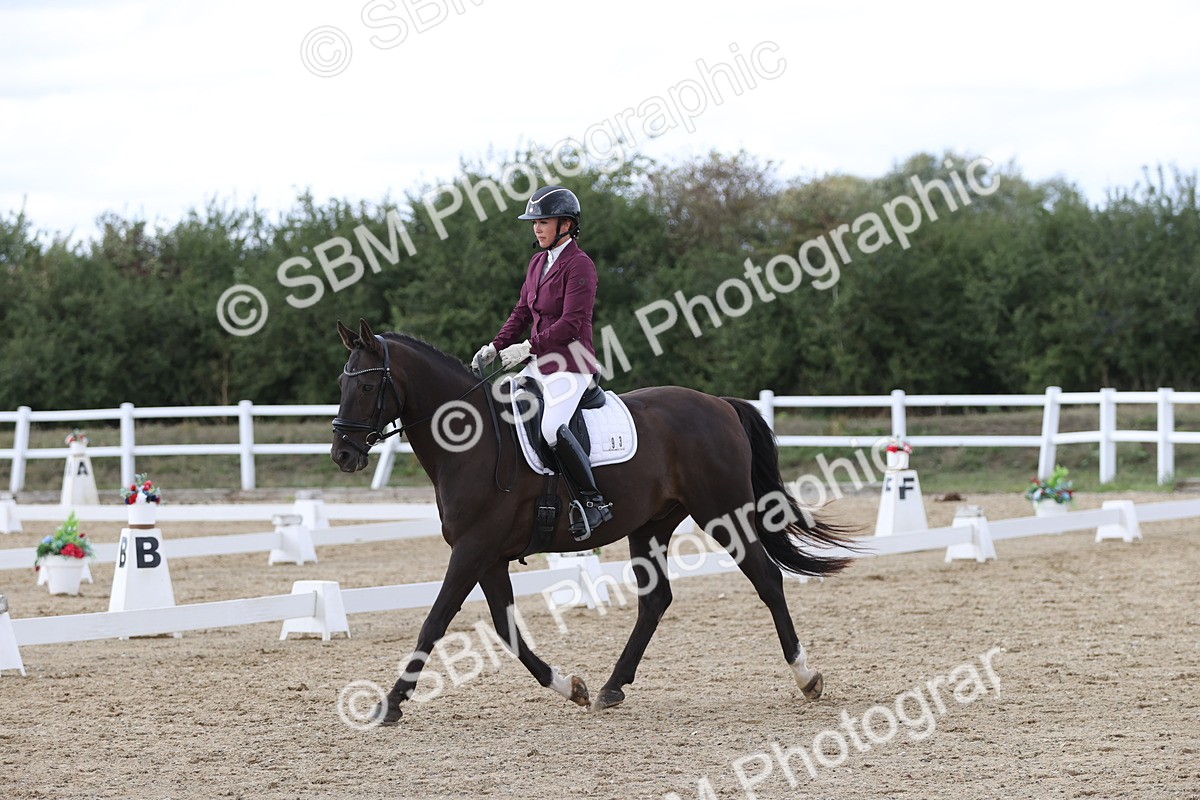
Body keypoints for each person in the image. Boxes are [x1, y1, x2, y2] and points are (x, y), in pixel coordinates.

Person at [472, 185, 613, 541]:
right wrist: (495, 345)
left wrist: (526, 348)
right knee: (501, 409)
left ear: (566, 225)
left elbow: (571, 323)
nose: (536, 228)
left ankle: (593, 501)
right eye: (534, 223)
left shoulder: (580, 265)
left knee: (551, 429)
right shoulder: (538, 262)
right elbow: (522, 311)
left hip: (572, 364)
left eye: (543, 222)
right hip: (539, 363)